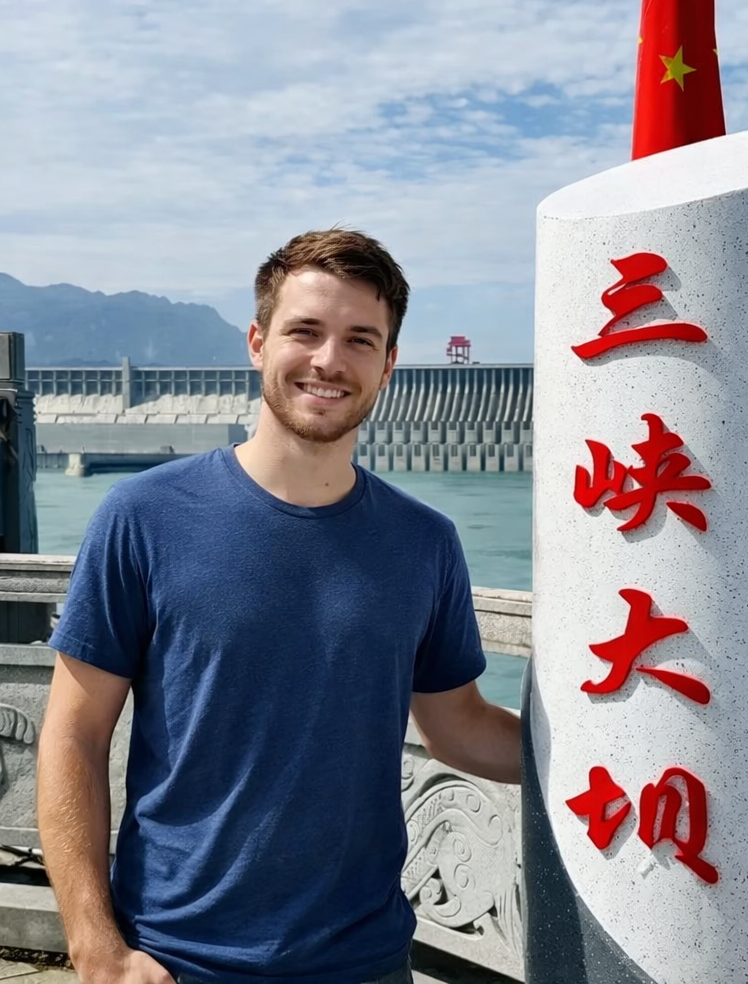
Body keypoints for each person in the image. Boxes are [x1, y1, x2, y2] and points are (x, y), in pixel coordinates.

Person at [36, 229, 522, 984]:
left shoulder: (425, 544)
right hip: (175, 958)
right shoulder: (143, 517)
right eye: (306, 331)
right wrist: (95, 946)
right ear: (258, 342)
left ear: (389, 365)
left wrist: (609, 755)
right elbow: (73, 735)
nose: (330, 360)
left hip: (364, 960)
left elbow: (459, 725)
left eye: (361, 339)